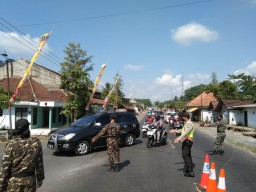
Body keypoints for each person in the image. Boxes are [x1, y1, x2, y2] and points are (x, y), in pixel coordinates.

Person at [0, 119, 45, 192]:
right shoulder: (36, 143)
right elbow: (39, 163)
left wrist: (1, 186)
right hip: (30, 182)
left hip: (13, 184)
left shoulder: (11, 144)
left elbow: (5, 167)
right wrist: (40, 178)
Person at [170, 112, 195, 177]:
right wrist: (175, 131)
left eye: (183, 117)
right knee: (188, 155)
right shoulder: (187, 123)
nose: (182, 118)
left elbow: (186, 132)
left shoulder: (189, 124)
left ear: (185, 117)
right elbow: (182, 130)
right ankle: (189, 168)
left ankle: (190, 171)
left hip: (188, 141)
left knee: (185, 155)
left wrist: (178, 138)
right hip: (186, 141)